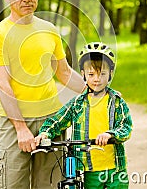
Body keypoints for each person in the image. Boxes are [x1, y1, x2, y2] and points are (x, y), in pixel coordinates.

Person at [0, 0, 86, 189]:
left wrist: (99, 94)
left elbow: (64, 73)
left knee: (50, 185)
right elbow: (3, 86)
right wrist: (21, 128)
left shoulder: (49, 30)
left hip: (52, 120)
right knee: (11, 185)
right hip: (14, 123)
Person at [35, 42, 133, 189]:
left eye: (102, 74)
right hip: (90, 169)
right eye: (91, 74)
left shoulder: (117, 102)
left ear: (111, 74)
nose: (97, 79)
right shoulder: (77, 104)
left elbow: (126, 127)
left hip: (116, 168)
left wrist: (110, 134)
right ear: (83, 74)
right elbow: (58, 120)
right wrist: (45, 133)